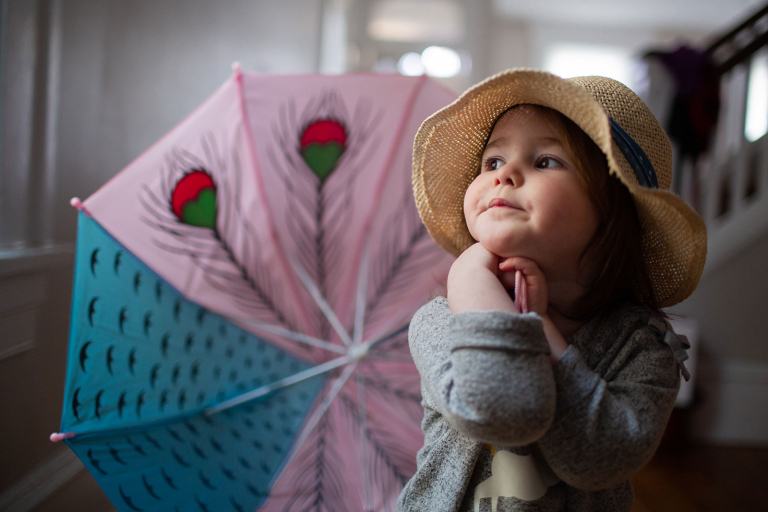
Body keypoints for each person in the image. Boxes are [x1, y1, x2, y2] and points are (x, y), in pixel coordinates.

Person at [397, 69, 707, 512]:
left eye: (545, 161)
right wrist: (469, 279)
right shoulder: (441, 322)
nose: (504, 175)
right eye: (492, 161)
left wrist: (541, 331)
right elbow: (500, 408)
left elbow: (600, 460)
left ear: (611, 211)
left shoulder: (644, 348)